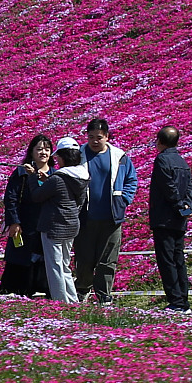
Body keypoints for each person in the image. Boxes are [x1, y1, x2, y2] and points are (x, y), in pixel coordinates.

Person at [77, 116, 138, 303]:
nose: (95, 141)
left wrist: (124, 200)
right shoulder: (78, 155)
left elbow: (131, 180)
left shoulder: (119, 157)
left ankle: (104, 295)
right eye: (91, 137)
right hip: (85, 216)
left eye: (99, 137)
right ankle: (82, 290)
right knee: (84, 258)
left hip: (112, 216)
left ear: (107, 137)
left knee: (108, 258)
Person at [0, 134, 54, 298]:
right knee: (21, 259)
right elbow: (11, 198)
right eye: (39, 149)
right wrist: (14, 221)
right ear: (31, 152)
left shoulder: (54, 174)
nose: (43, 152)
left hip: (45, 224)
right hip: (25, 223)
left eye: (47, 149)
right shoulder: (21, 172)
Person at [149, 125, 192, 312]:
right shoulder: (183, 162)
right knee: (178, 259)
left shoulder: (161, 160)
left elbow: (168, 187)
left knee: (167, 260)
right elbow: (191, 188)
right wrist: (187, 206)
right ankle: (183, 300)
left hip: (164, 218)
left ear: (159, 141)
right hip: (179, 219)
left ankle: (176, 301)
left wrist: (177, 204)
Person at [41, 141, 88, 304]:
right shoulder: (82, 176)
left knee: (55, 266)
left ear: (64, 157)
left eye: (58, 157)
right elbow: (78, 201)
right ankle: (73, 300)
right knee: (65, 264)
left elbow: (37, 195)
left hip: (54, 225)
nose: (57, 161)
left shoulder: (58, 178)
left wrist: (34, 177)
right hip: (72, 224)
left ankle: (61, 302)